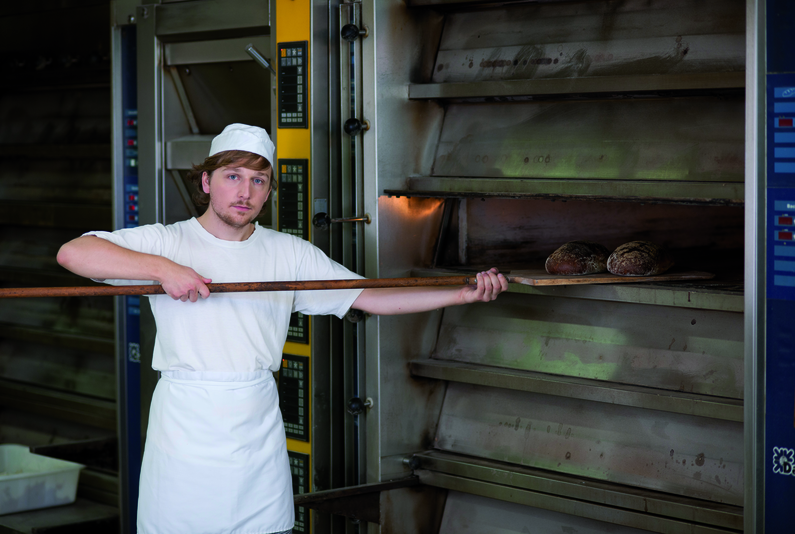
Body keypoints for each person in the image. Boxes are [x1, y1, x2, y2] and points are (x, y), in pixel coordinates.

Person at [57, 123, 507, 534]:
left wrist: (461, 294)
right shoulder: (167, 241)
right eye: (233, 176)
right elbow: (74, 253)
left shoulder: (289, 252)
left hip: (256, 425)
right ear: (206, 182)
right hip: (184, 425)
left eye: (259, 180)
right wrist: (164, 269)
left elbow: (371, 296)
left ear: (270, 190)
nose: (245, 192)